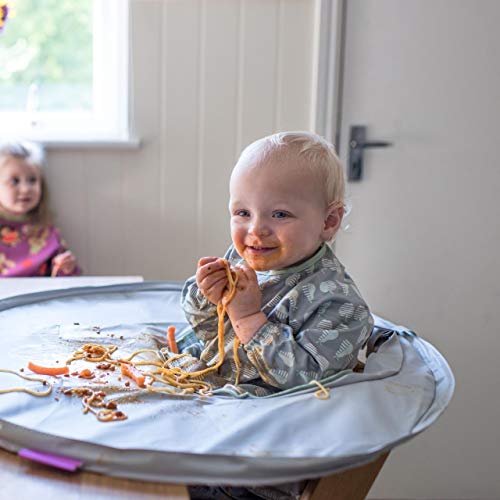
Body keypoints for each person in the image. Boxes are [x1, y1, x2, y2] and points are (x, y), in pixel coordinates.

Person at [181, 131, 373, 396]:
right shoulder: (244, 256)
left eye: (280, 214)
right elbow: (203, 331)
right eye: (242, 213)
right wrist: (207, 297)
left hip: (268, 410)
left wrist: (249, 320)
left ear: (328, 222)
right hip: (211, 377)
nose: (256, 230)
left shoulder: (339, 306)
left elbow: (308, 379)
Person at [0, 141, 80, 277]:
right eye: (14, 181)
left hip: (38, 294)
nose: (25, 189)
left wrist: (66, 268)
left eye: (32, 180)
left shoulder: (46, 230)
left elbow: (61, 280)